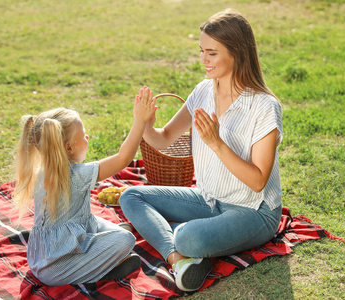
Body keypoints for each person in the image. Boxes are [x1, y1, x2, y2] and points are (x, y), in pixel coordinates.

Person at [119, 9, 283, 292]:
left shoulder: (264, 106)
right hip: (210, 200)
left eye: (212, 53)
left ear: (237, 52)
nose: (203, 60)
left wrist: (217, 143)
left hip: (254, 211)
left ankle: (183, 245)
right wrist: (144, 124)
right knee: (131, 196)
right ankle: (181, 260)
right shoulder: (203, 91)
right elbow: (164, 139)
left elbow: (257, 181)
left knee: (187, 236)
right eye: (201, 51)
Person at [13, 87, 156, 286]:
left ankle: (103, 246)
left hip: (40, 256)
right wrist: (140, 122)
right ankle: (102, 267)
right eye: (84, 135)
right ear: (69, 147)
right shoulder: (77, 176)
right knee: (126, 239)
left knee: (93, 220)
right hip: (57, 268)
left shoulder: (40, 171)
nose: (87, 138)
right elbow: (123, 158)